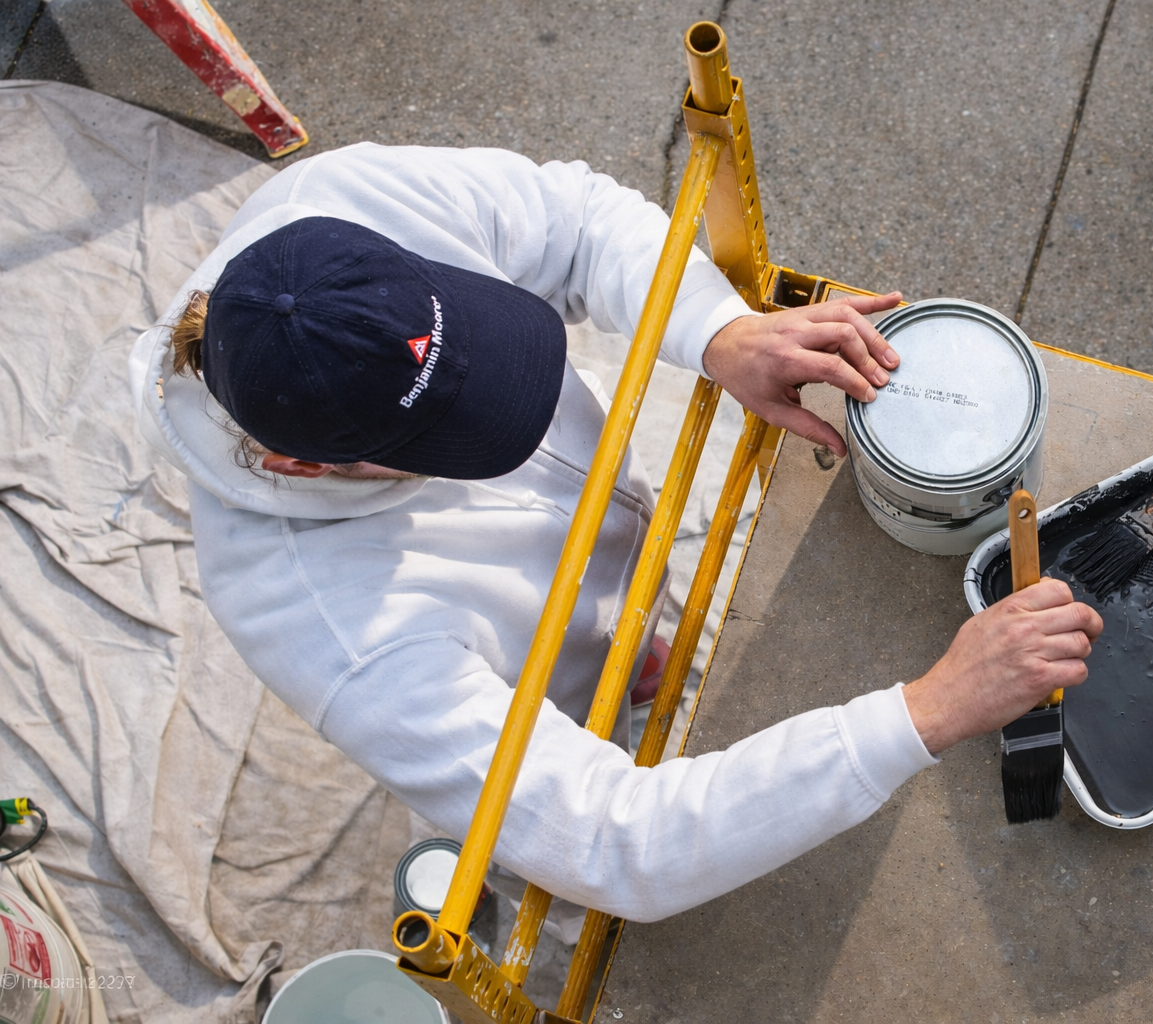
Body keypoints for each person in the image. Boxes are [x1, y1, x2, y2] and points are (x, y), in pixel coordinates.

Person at [129, 142, 1102, 931]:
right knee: (576, 758)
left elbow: (575, 223)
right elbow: (618, 841)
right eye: (447, 433)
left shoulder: (341, 204)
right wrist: (929, 709)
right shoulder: (324, 622)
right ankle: (611, 668)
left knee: (632, 637)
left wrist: (722, 331)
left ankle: (630, 646)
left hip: (603, 554)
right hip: (537, 679)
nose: (495, 411)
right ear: (306, 466)